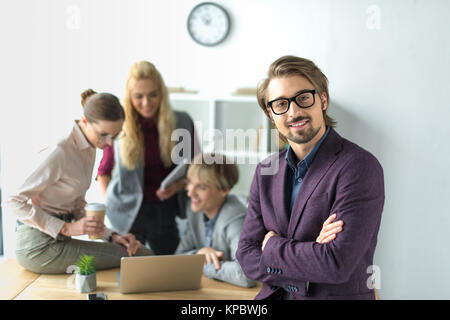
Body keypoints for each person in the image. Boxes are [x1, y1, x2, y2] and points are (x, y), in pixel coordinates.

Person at [236, 55, 385, 300]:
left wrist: (272, 247)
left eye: (303, 98)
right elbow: (246, 255)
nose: (294, 112)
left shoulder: (359, 166)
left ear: (322, 100)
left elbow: (336, 263)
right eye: (281, 104)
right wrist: (312, 252)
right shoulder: (265, 171)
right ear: (270, 113)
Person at [5, 89, 152, 274]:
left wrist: (111, 236)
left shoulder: (89, 146)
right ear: (84, 121)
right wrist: (66, 228)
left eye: (114, 136)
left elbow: (76, 205)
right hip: (37, 246)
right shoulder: (60, 150)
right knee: (140, 256)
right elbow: (11, 201)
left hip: (59, 240)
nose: (109, 143)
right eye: (103, 134)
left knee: (139, 252)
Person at [175, 153, 342, 288]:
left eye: (201, 187)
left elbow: (245, 275)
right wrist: (199, 253)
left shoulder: (234, 217)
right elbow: (175, 259)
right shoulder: (196, 213)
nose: (190, 193)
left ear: (224, 190)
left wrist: (202, 264)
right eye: (190, 184)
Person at [98, 61, 198, 255]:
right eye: (139, 96)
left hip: (166, 210)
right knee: (129, 269)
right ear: (130, 97)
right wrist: (108, 208)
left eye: (153, 94)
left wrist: (177, 186)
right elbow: (104, 172)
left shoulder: (182, 121)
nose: (146, 103)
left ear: (162, 93)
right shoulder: (120, 125)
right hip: (128, 212)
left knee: (170, 268)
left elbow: (196, 169)